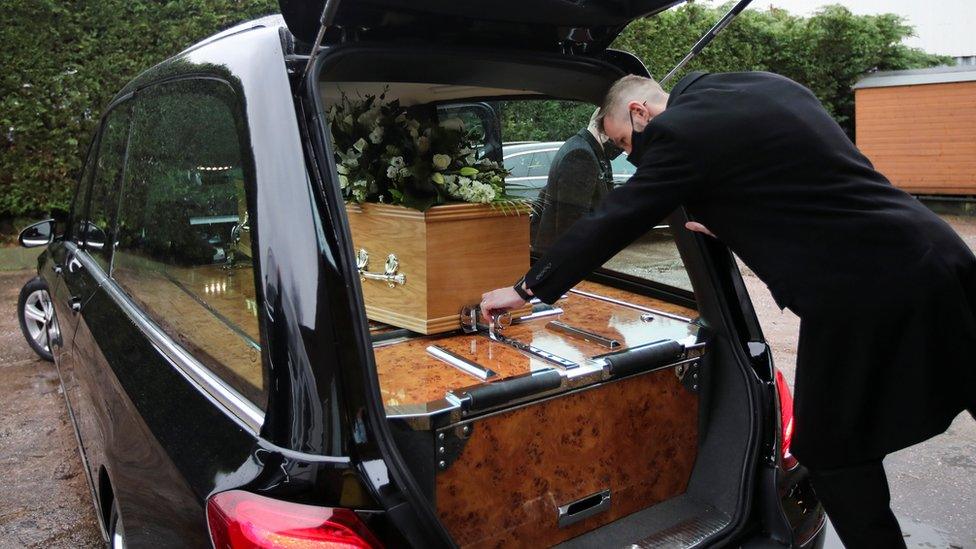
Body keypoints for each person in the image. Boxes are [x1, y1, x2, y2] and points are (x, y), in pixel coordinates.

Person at [481, 71, 976, 548]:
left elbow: (618, 216)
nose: (633, 157)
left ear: (640, 113)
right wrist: (738, 219)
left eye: (627, 144)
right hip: (938, 251)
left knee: (829, 453)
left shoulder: (678, 132)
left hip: (869, 290)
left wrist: (528, 288)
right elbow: (811, 181)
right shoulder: (761, 87)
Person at [530, 109, 621, 251]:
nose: (621, 146)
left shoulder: (581, 147)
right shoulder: (581, 155)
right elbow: (571, 225)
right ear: (605, 126)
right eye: (621, 139)